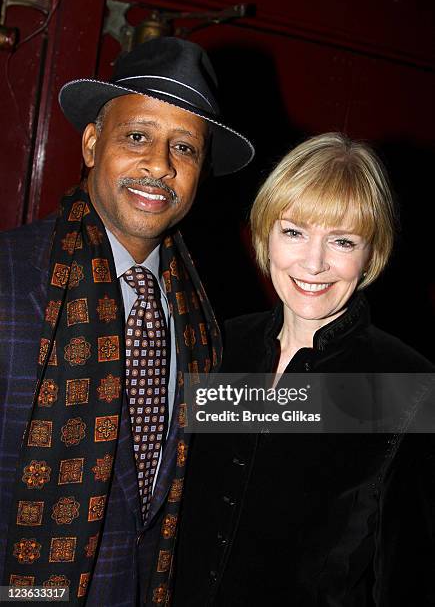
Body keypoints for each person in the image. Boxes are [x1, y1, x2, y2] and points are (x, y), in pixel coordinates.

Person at [0, 37, 254, 605]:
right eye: (137, 136)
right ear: (92, 143)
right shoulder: (9, 281)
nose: (159, 166)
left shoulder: (205, 318)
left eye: (184, 148)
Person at [173, 133, 435, 606]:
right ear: (264, 236)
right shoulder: (220, 345)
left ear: (370, 253)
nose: (314, 263)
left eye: (342, 240)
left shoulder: (404, 385)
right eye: (294, 231)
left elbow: (411, 576)